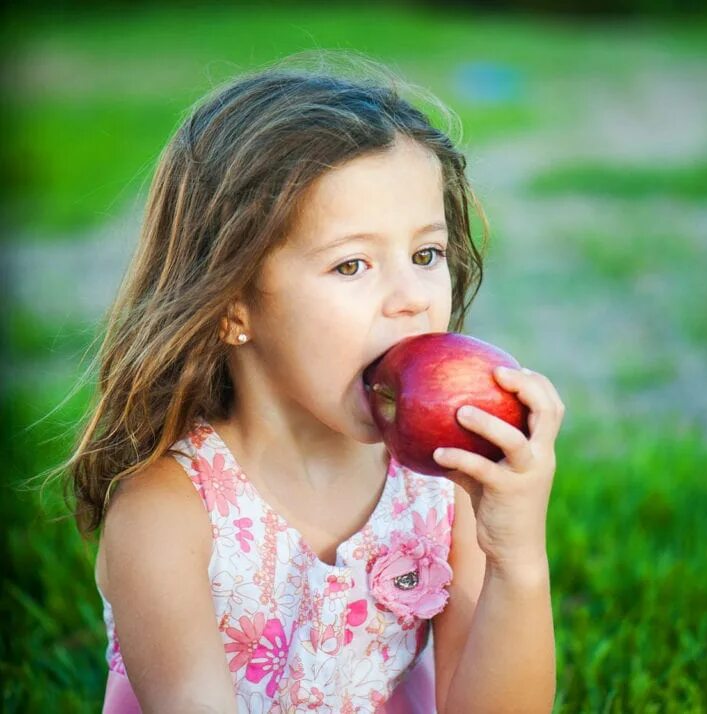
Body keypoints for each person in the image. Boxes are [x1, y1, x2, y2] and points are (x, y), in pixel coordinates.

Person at [66, 51, 565, 713]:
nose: (411, 298)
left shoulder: (441, 486)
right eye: (352, 265)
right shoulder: (169, 514)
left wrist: (517, 556)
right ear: (232, 306)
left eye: (426, 255)